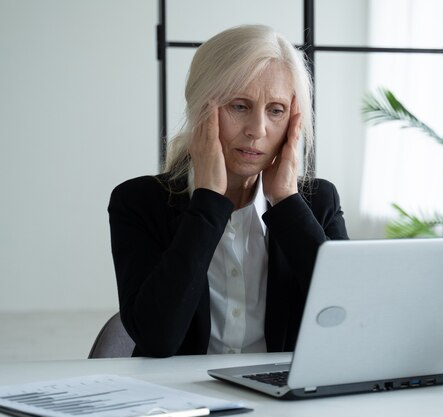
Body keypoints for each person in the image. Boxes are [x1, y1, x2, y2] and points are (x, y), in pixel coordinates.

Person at [108, 25, 349, 358]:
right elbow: (156, 338)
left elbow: (350, 321)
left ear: (294, 121)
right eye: (240, 106)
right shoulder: (139, 202)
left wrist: (287, 202)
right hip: (179, 398)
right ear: (201, 108)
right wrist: (208, 201)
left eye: (276, 110)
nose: (257, 130)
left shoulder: (318, 202)